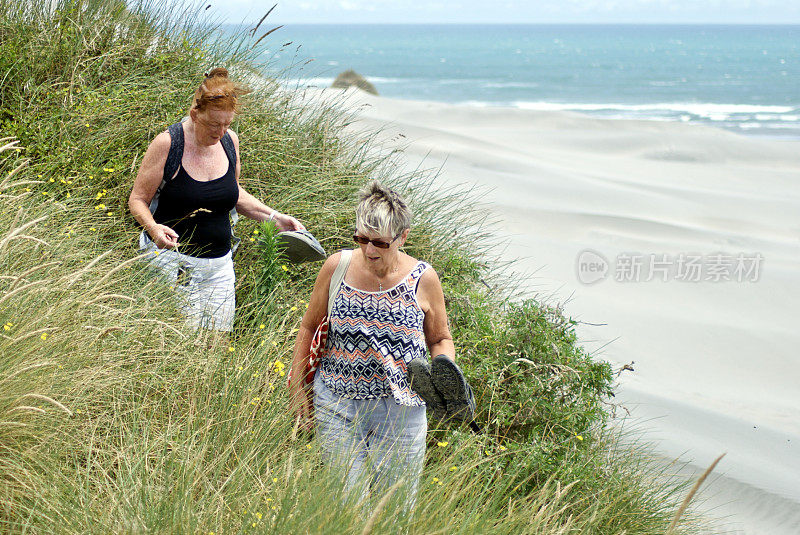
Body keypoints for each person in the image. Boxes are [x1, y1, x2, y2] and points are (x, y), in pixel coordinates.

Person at [289, 180, 455, 506]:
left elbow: (439, 338)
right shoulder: (337, 267)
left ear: (402, 237)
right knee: (347, 510)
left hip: (401, 413)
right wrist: (297, 390)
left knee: (392, 515)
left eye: (379, 242)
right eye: (361, 239)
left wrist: (444, 367)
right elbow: (308, 327)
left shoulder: (424, 279)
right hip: (337, 406)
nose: (369, 250)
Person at [128, 68, 303, 332]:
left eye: (227, 124)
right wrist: (153, 229)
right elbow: (137, 199)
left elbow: (232, 194)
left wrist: (274, 217)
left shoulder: (230, 142)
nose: (220, 132)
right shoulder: (168, 144)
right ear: (195, 114)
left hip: (220, 267)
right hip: (173, 264)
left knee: (216, 348)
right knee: (181, 346)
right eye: (213, 124)